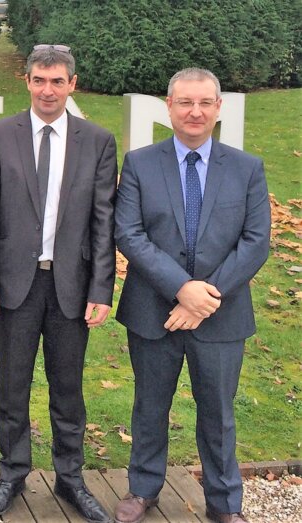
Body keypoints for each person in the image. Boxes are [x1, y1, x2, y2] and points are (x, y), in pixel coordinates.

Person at [113, 68, 270, 523]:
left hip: (221, 316)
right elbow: (130, 233)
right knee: (149, 406)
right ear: (169, 106)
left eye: (205, 103)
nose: (195, 111)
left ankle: (224, 504)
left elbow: (256, 240)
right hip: (152, 311)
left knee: (218, 414)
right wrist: (182, 288)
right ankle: (142, 490)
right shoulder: (140, 163)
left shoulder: (247, 168)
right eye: (185, 102)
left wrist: (205, 297)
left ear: (218, 108)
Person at [0, 44, 117, 522]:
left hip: (70, 286)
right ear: (26, 81)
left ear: (72, 84)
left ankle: (70, 477)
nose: (48, 89)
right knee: (12, 387)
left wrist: (101, 289)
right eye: (39, 80)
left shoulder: (97, 140)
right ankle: (12, 472)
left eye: (57, 81)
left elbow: (103, 223)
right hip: (14, 284)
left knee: (68, 388)